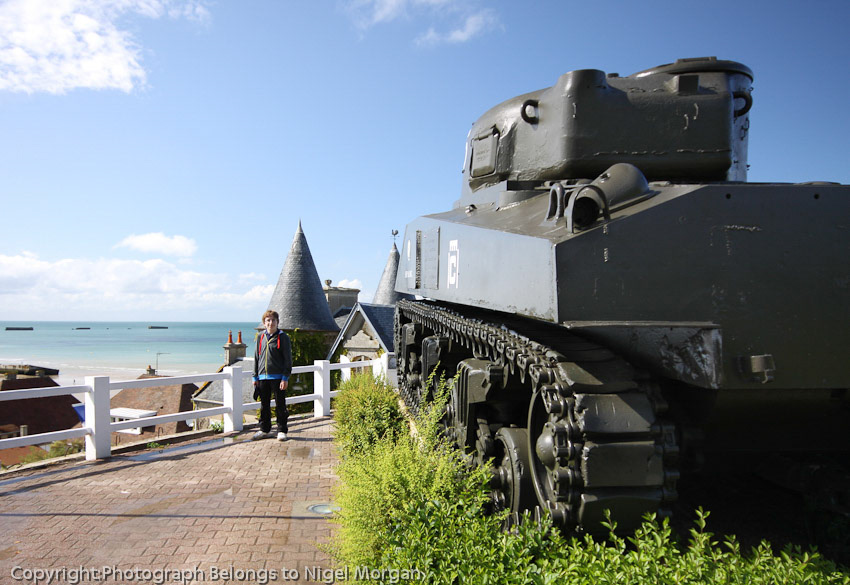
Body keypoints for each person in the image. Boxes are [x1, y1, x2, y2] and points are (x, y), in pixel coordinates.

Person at [252, 310, 292, 441]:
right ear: (264, 323)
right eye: (268, 320)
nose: (271, 323)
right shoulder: (260, 337)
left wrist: (285, 377)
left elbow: (288, 359)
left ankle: (282, 430)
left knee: (280, 405)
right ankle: (264, 429)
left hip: (278, 377)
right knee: (264, 406)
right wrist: (255, 376)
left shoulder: (283, 337)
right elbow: (257, 357)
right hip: (263, 377)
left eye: (273, 320)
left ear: (277, 322)